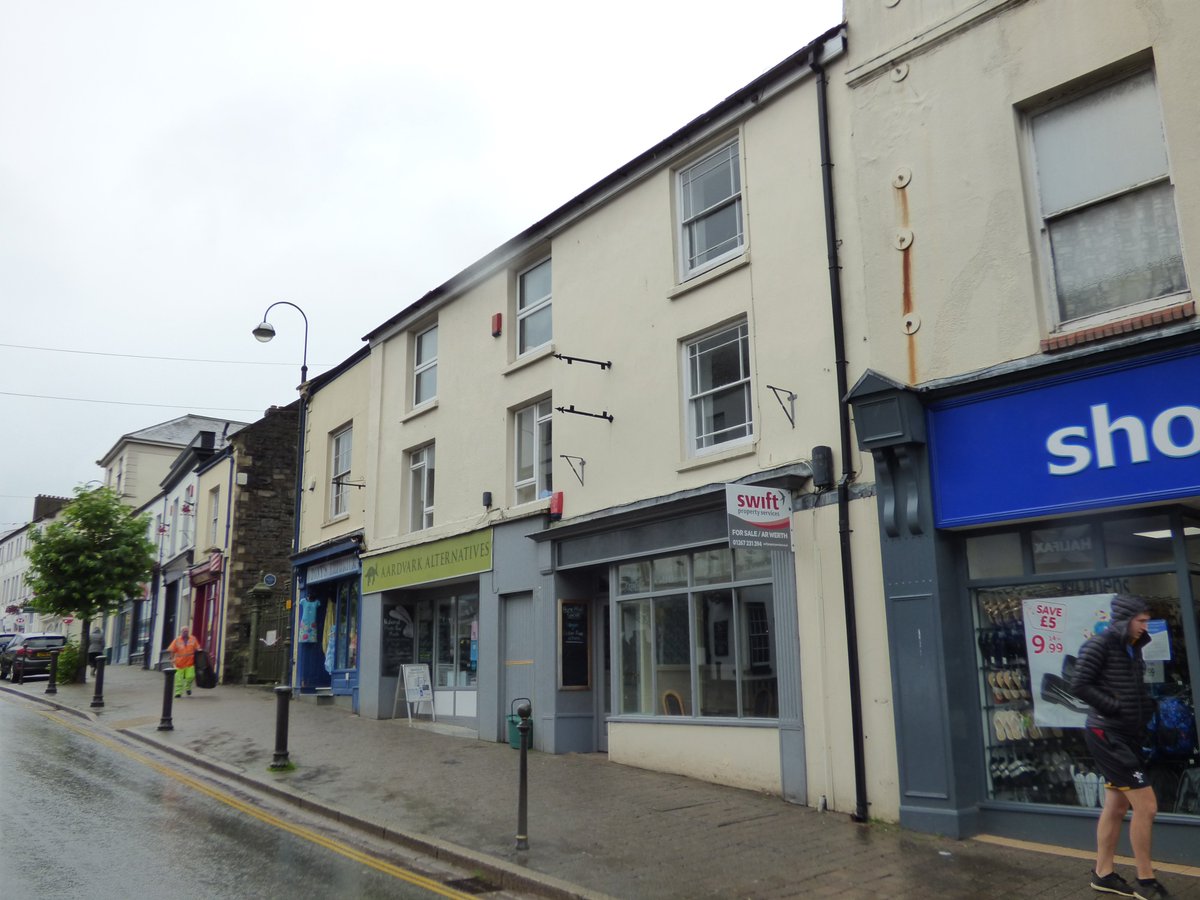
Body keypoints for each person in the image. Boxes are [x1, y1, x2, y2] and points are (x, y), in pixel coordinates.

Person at [1070, 595, 1170, 899]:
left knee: (1116, 806)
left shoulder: (1132, 647)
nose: (1144, 626)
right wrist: (1113, 707)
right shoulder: (1099, 645)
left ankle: (1103, 874)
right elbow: (1079, 684)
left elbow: (1129, 688)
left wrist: (1145, 707)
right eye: (1140, 620)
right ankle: (1146, 881)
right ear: (1126, 619)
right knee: (1147, 806)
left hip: (1127, 735)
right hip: (1106, 733)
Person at [166, 626, 201, 698]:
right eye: (184, 631)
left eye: (187, 631)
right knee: (178, 679)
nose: (185, 633)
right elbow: (172, 650)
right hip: (179, 663)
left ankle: (187, 687)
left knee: (191, 676)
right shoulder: (177, 640)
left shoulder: (193, 639)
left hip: (190, 662)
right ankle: (178, 692)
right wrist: (172, 659)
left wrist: (199, 650)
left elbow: (197, 647)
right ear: (181, 632)